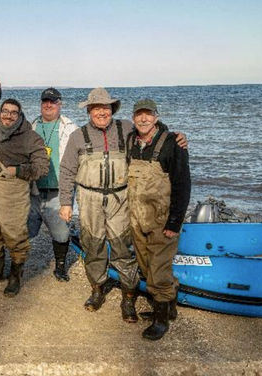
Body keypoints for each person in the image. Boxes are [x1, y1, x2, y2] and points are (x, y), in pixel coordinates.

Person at [59, 88, 187, 323]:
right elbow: (67, 170)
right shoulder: (78, 136)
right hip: (89, 200)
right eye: (96, 108)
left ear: (112, 110)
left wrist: (174, 135)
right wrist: (66, 203)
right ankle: (97, 289)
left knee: (122, 248)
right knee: (93, 245)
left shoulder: (126, 128)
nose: (101, 112)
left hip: (121, 199)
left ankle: (128, 297)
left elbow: (151, 129)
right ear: (89, 111)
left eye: (105, 107)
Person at [126, 99, 190, 340]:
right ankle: (169, 308)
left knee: (159, 271)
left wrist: (175, 222)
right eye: (139, 115)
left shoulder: (173, 143)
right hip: (137, 218)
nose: (143, 119)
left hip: (162, 221)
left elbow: (183, 185)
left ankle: (161, 320)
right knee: (145, 266)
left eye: (148, 115)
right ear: (133, 118)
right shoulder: (131, 141)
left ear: (156, 116)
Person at [0, 99, 49, 296]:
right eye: (5, 111)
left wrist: (17, 170)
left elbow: (42, 167)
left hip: (14, 197)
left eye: (13, 113)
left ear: (20, 116)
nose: (8, 116)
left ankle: (15, 275)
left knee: (16, 237)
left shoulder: (30, 138)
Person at [27, 88, 79, 282]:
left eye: (53, 101)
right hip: (34, 189)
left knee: (61, 231)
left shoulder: (70, 128)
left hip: (58, 189)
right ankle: (19, 264)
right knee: (25, 229)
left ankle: (60, 266)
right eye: (45, 101)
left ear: (60, 104)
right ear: (40, 104)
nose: (48, 105)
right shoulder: (31, 126)